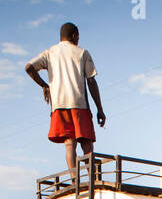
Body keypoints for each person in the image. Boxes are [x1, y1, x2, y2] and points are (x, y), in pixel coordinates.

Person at [26, 22, 106, 177]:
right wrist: (100, 109)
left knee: (70, 145)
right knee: (87, 144)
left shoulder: (49, 53)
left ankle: (74, 180)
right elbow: (91, 81)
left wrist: (44, 85)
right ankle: (92, 180)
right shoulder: (81, 53)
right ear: (75, 35)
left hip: (58, 105)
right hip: (79, 104)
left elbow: (29, 67)